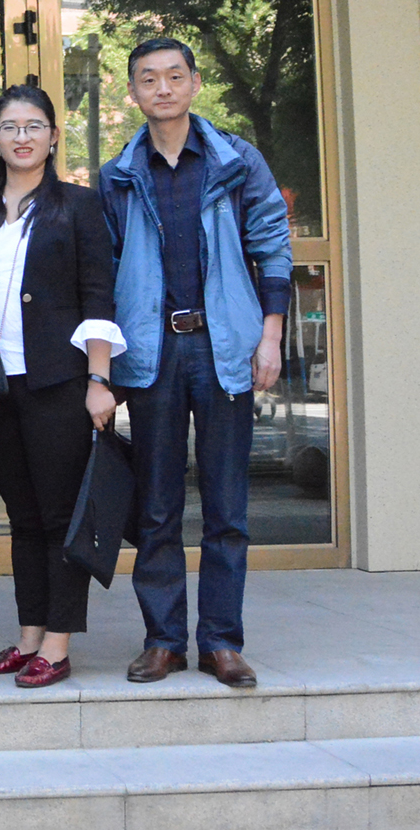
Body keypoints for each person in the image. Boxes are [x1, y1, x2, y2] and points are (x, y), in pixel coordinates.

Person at [100, 37, 291, 690]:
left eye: (174, 76)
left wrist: (270, 335)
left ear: (195, 83)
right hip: (152, 351)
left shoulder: (236, 161)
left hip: (224, 347)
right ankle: (163, 641)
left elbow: (272, 244)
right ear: (133, 91)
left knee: (226, 506)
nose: (163, 88)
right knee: (156, 505)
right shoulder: (120, 174)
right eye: (148, 78)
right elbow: (105, 271)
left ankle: (221, 642)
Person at [0, 85, 124, 688]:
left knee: (60, 514)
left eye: (34, 126)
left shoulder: (78, 206)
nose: (22, 137)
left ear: (54, 136)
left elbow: (98, 293)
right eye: (10, 127)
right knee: (23, 515)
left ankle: (57, 644)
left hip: (58, 381)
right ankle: (29, 635)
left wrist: (99, 379)